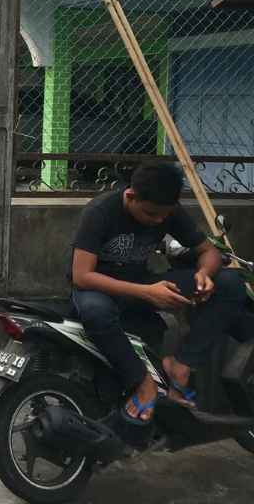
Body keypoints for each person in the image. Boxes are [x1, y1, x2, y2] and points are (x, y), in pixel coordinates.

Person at [71, 163, 252, 422]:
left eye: (164, 216)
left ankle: (182, 364)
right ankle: (143, 383)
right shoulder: (100, 212)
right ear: (131, 196)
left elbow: (209, 251)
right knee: (95, 311)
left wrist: (203, 274)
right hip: (100, 289)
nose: (158, 221)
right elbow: (82, 275)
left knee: (229, 282)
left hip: (144, 283)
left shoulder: (168, 211)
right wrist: (146, 292)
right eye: (151, 214)